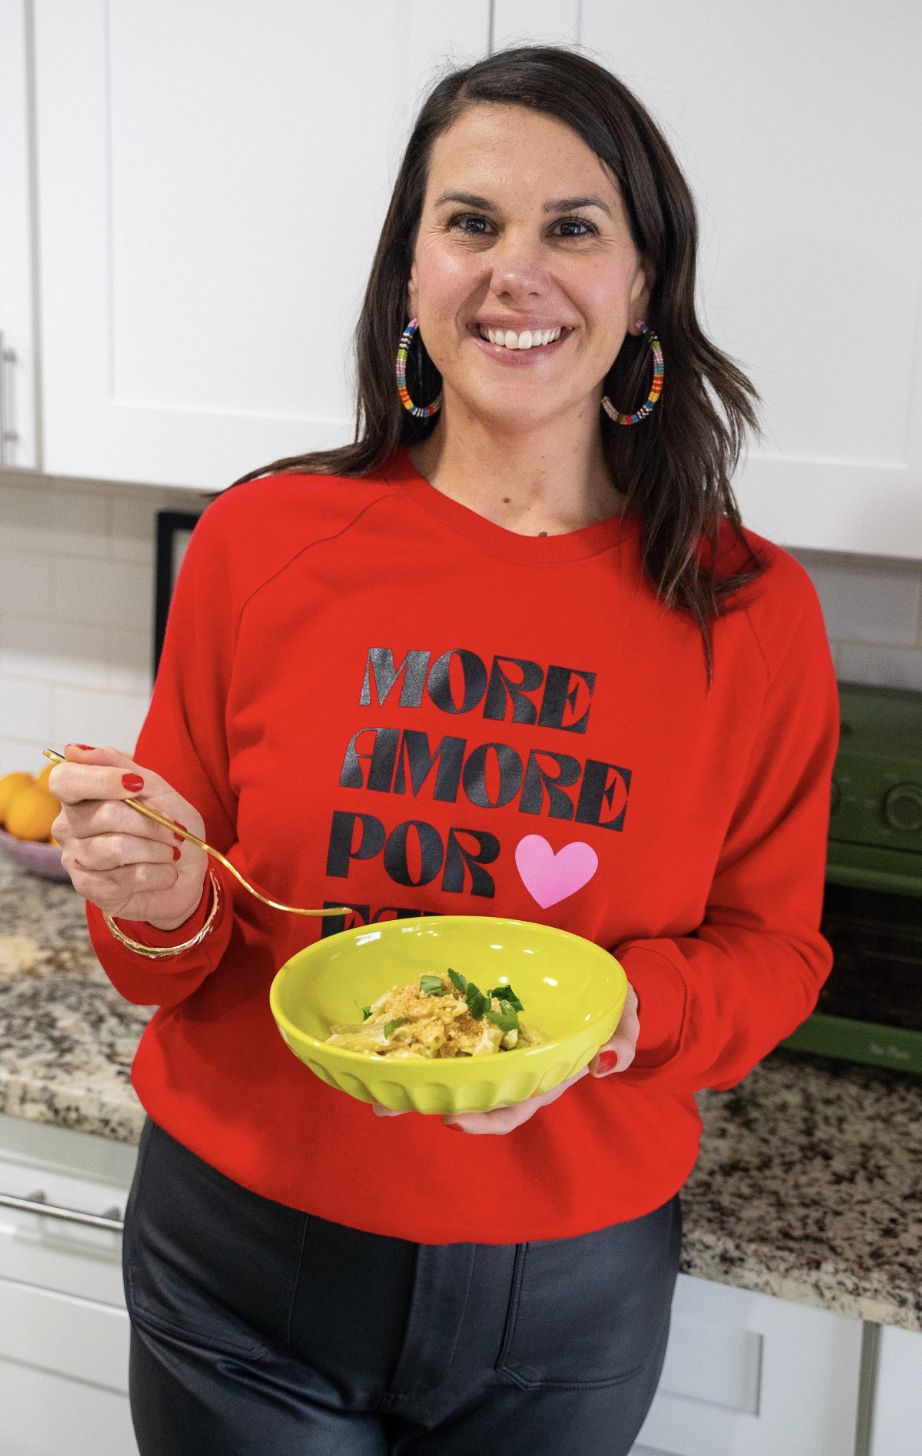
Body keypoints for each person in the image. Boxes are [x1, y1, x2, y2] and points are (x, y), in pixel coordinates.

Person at [50, 46, 837, 1456]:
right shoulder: (263, 543)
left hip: (569, 1286)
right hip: (244, 1251)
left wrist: (619, 1015)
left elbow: (774, 955)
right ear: (410, 271)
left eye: (572, 227)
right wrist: (152, 895)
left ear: (644, 280)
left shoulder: (748, 610)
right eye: (470, 222)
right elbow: (165, 951)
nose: (514, 272)